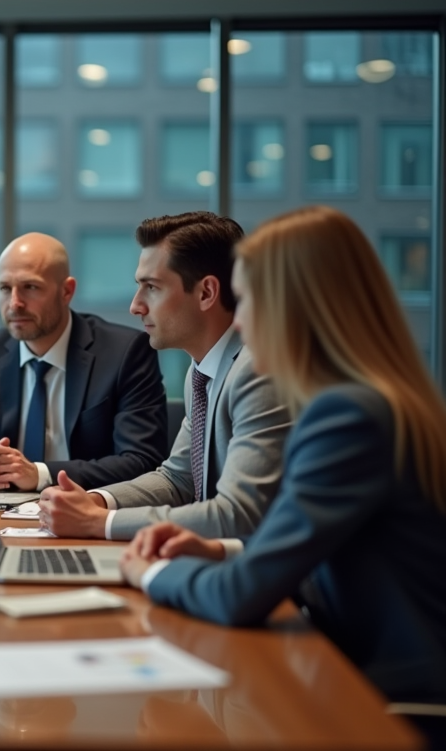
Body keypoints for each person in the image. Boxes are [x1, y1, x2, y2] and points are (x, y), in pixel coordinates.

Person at [120, 206, 446, 706]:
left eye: (247, 299)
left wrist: (151, 573)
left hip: (393, 701)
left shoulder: (348, 416)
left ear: (294, 306)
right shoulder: (371, 399)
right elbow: (329, 551)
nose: (240, 320)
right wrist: (220, 550)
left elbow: (239, 597)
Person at [39, 212, 290, 542]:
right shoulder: (201, 371)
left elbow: (237, 516)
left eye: (151, 287)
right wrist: (96, 500)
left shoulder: (258, 371)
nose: (135, 306)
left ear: (206, 293)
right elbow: (178, 479)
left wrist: (99, 523)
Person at [0, 232, 168, 491]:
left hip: (87, 511)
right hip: (3, 513)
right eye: (5, 288)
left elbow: (142, 461)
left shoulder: (124, 352)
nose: (15, 303)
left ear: (67, 291)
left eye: (30, 287)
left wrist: (40, 474)